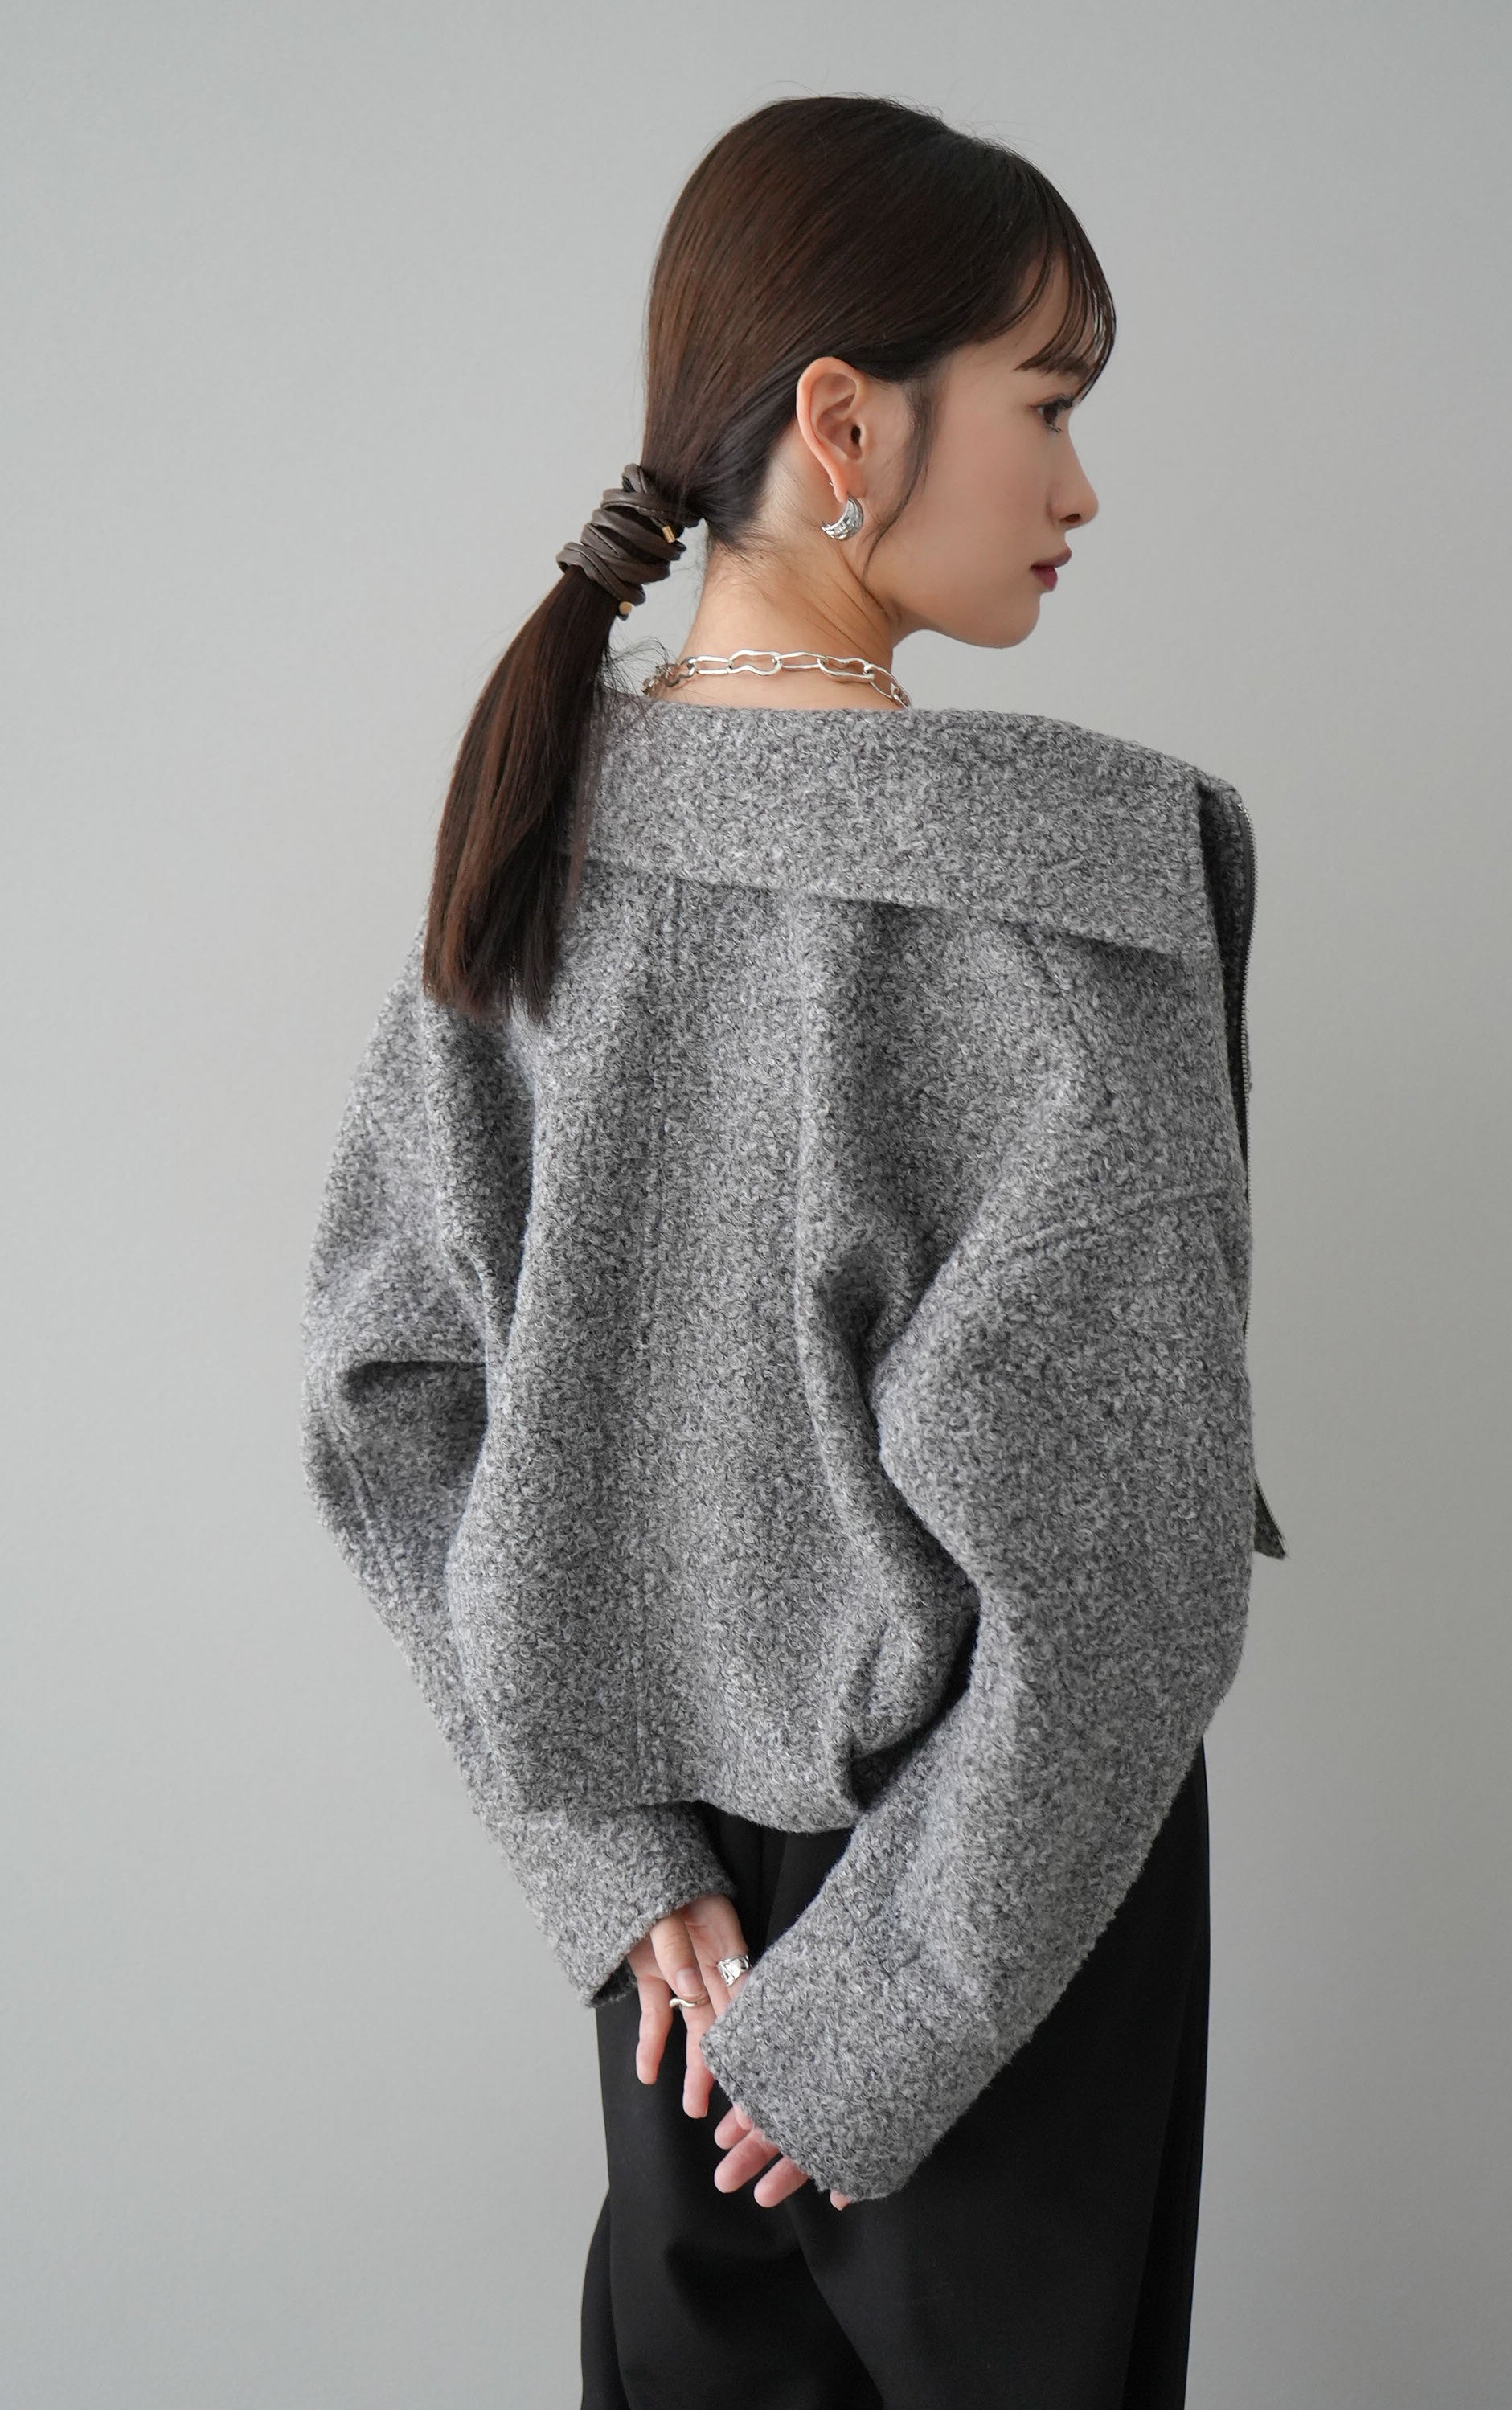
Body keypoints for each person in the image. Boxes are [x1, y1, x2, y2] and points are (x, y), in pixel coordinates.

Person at [299, 90, 1285, 2408]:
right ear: (847, 424)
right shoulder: (1074, 892)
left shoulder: (531, 848)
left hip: (690, 1940)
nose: (1080, 486)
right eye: (1049, 400)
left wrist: (613, 1857)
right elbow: (1132, 1578)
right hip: (1006, 1918)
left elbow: (384, 1401)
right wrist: (900, 2003)